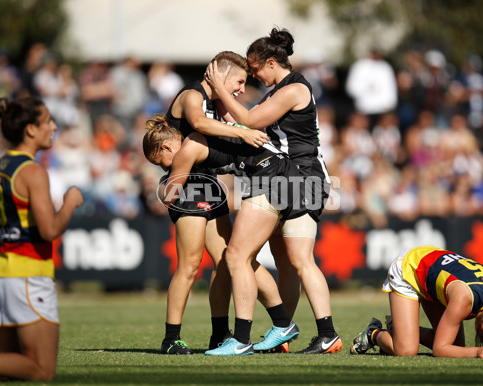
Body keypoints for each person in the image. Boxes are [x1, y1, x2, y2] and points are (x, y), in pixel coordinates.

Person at [205, 28, 341, 354]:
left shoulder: (293, 88)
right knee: (290, 260)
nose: (252, 75)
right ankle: (287, 332)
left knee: (298, 261)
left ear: (269, 62)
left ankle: (324, 333)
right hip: (292, 179)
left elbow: (250, 121)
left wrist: (222, 89)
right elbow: (244, 125)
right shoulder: (276, 92)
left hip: (303, 177)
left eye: (254, 68)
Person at [143, 114, 310, 356]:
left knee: (228, 260)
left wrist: (163, 183)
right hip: (250, 178)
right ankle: (179, 337)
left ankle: (232, 333)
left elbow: (168, 196)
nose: (165, 167)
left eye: (161, 161)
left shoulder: (187, 146)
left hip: (243, 181)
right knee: (224, 261)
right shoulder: (195, 134)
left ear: (167, 146)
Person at [156, 51, 288, 355]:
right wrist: (243, 133)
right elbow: (200, 124)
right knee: (189, 266)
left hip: (211, 185)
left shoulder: (219, 102)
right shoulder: (192, 95)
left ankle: (227, 333)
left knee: (231, 260)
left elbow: (243, 123)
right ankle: (171, 338)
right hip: (188, 186)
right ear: (218, 76)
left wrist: (251, 131)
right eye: (239, 82)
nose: (242, 89)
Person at [0, 97, 83, 382]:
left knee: (8, 370)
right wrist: (70, 203)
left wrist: (3, 252)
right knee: (41, 370)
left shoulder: (0, 166)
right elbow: (49, 231)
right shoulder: (33, 172)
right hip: (30, 276)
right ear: (31, 129)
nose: (54, 126)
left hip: (3, 275)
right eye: (48, 120)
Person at [350, 245, 483, 358]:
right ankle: (372, 334)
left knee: (455, 346)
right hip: (410, 268)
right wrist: (476, 352)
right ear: (481, 328)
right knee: (406, 350)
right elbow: (440, 349)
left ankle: (398, 329)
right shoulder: (464, 300)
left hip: (436, 266)